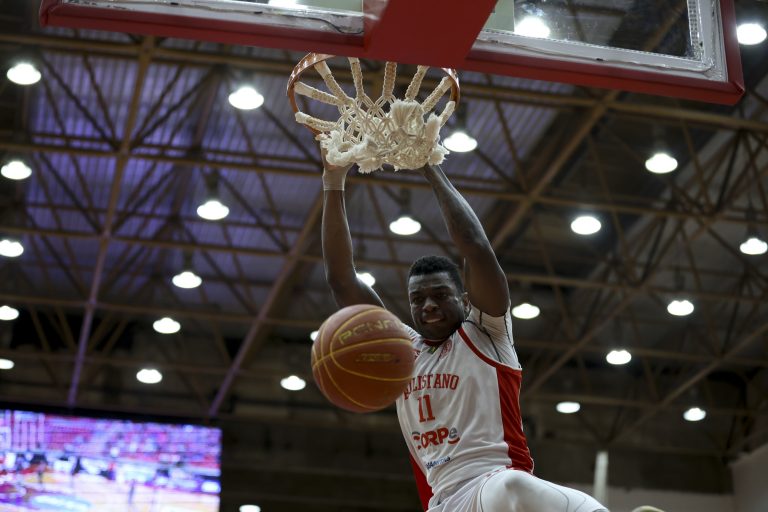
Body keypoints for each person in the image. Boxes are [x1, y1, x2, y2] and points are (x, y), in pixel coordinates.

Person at [320, 151, 609, 512]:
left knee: (515, 486)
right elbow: (341, 279)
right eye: (417, 299)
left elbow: (475, 246)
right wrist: (333, 180)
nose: (428, 305)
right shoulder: (400, 350)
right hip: (441, 502)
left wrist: (428, 164)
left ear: (464, 298)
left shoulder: (486, 332)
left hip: (492, 484)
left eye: (440, 295)